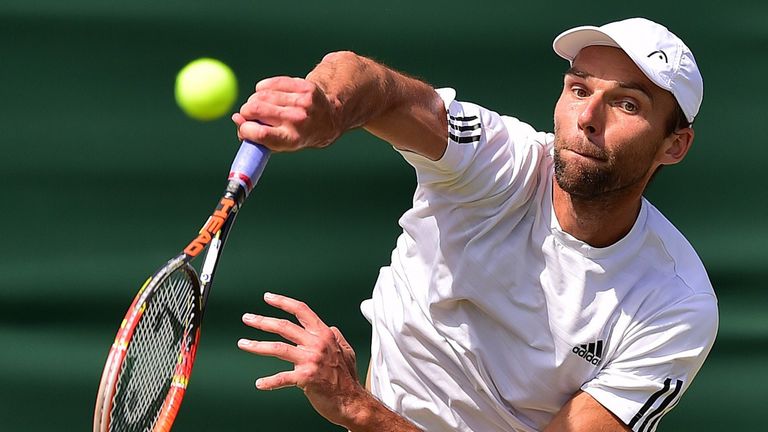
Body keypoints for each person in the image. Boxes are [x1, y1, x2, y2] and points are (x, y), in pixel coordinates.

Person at [233, 17, 718, 432]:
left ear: (674, 145)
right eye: (578, 88)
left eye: (627, 104)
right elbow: (380, 88)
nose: (587, 116)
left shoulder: (676, 305)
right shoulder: (500, 160)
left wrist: (359, 410)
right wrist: (329, 107)